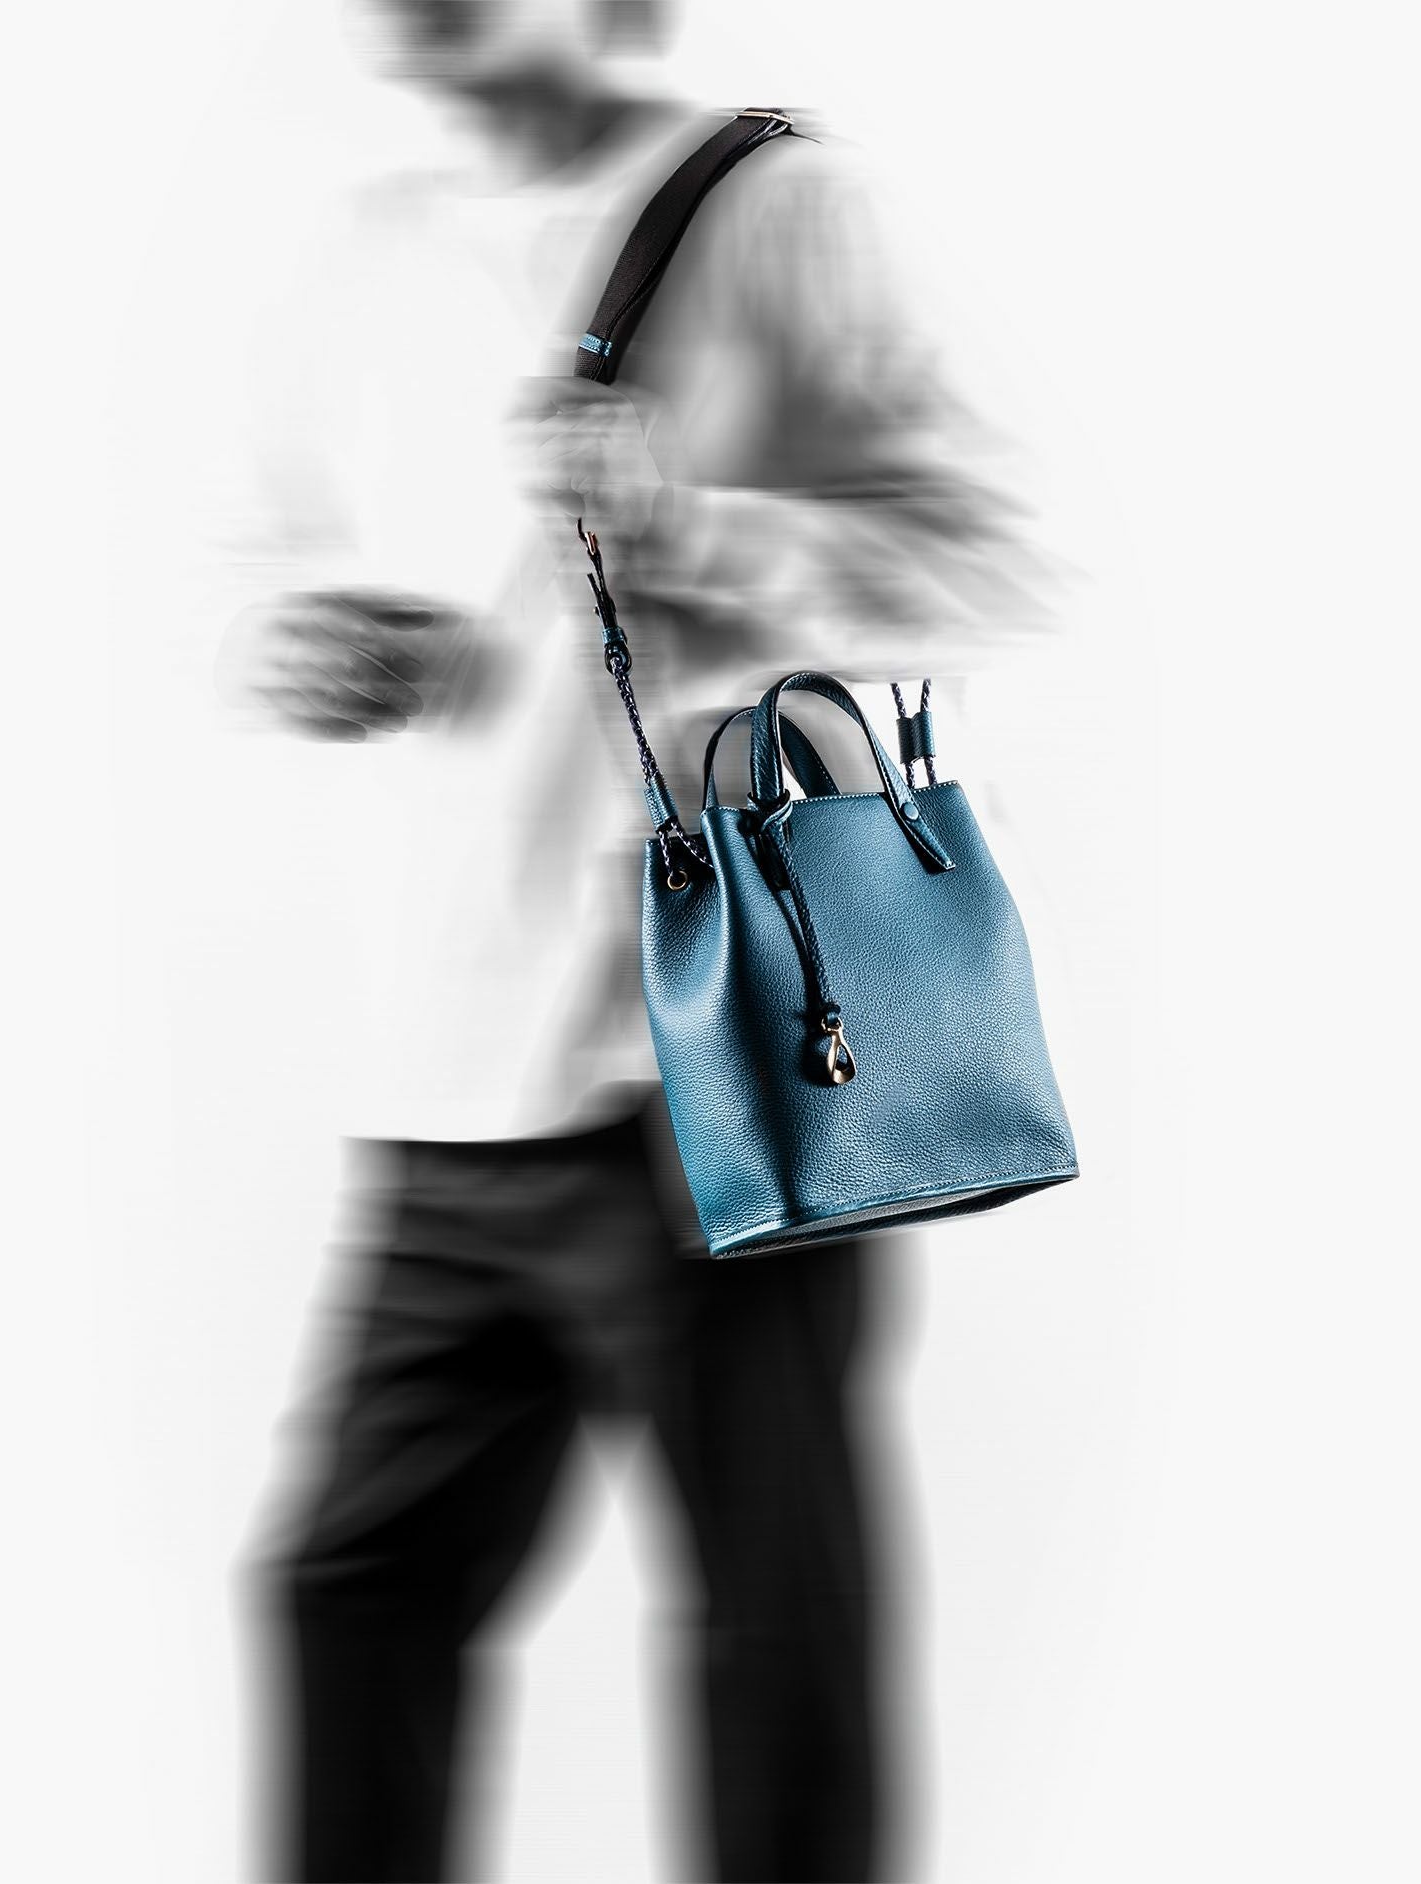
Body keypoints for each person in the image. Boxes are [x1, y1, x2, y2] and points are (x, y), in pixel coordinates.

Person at [211, 3, 1048, 1877]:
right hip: (443, 1083)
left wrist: (707, 534)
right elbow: (269, 570)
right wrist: (300, 651)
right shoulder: (358, 251)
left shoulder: (780, 205)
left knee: (777, 1667)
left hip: (713, 1080)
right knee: (345, 1593)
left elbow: (1003, 559)